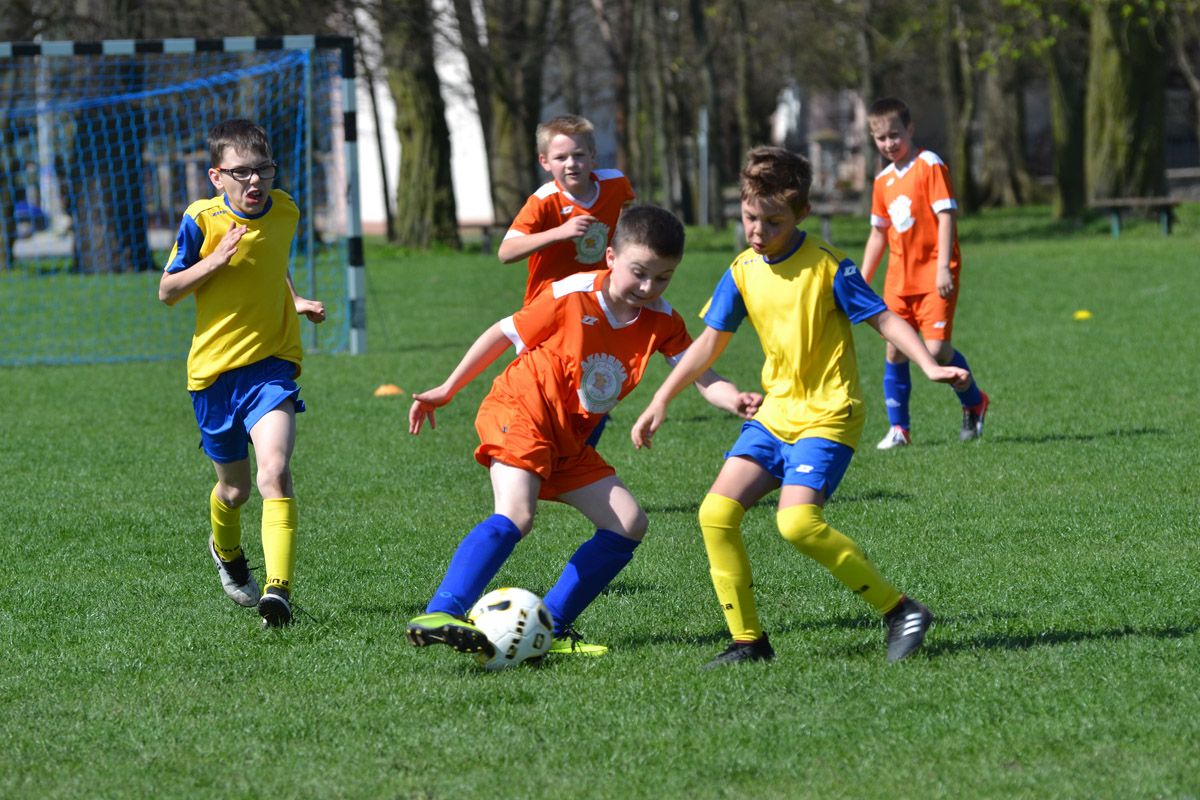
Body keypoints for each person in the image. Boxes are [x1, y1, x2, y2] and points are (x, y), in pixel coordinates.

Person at [632, 147, 970, 667]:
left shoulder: (829, 266)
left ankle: (900, 610)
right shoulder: (743, 270)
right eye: (750, 217)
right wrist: (661, 398)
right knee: (715, 514)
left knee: (796, 523)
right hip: (775, 415)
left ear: (801, 215)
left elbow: (884, 319)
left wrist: (927, 364)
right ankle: (749, 642)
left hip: (829, 414)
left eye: (773, 221)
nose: (758, 230)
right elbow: (708, 344)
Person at [405, 205, 761, 660]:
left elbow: (699, 373)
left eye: (663, 278)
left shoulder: (663, 321)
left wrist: (734, 399)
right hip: (523, 411)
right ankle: (441, 612)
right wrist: (448, 388)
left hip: (569, 438)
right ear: (610, 257)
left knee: (628, 523)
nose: (648, 288)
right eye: (639, 273)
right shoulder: (571, 294)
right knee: (517, 514)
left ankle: (548, 627)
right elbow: (502, 333)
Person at [159, 118, 326, 628]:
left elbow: (272, 259)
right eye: (241, 172)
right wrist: (215, 261)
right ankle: (227, 551)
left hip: (270, 366)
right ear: (216, 176)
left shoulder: (286, 210)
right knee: (234, 491)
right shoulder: (201, 219)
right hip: (213, 376)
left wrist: (294, 300)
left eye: (263, 169)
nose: (255, 181)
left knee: (274, 471)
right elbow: (168, 290)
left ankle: (278, 593)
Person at [860, 96, 989, 449]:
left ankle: (974, 402)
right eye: (881, 138)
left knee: (936, 352)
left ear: (910, 129)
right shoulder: (882, 181)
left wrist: (943, 266)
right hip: (898, 280)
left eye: (895, 135)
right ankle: (899, 429)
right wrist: (862, 279)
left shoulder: (929, 164)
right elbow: (878, 234)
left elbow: (946, 216)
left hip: (934, 275)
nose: (889, 143)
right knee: (894, 351)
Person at [497, 114, 636, 307]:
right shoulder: (543, 201)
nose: (571, 163)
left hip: (597, 298)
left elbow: (627, 207)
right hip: (549, 302)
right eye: (560, 158)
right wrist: (558, 233)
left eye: (578, 155)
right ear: (545, 162)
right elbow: (506, 253)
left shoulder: (615, 183)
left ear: (592, 155)